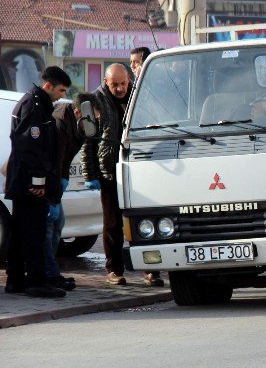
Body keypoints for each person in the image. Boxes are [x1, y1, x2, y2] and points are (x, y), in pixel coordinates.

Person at [81, 64, 164, 287]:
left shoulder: (139, 97)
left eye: (123, 83)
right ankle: (114, 270)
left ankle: (151, 270)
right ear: (106, 82)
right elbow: (88, 142)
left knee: (145, 220)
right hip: (109, 171)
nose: (119, 89)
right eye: (114, 84)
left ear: (129, 80)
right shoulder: (95, 101)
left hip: (138, 169)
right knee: (112, 225)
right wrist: (91, 174)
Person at [4, 66, 71, 298]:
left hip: (23, 181)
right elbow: (30, 147)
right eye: (61, 90)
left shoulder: (36, 104)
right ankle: (36, 282)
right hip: (29, 184)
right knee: (33, 234)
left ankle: (16, 281)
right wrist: (39, 182)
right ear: (48, 86)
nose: (62, 95)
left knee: (20, 234)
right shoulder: (34, 107)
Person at [43, 93, 98, 291]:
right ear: (78, 113)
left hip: (57, 180)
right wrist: (53, 195)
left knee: (58, 224)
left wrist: (65, 179)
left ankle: (50, 271)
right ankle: (47, 274)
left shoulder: (81, 126)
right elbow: (56, 160)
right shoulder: (60, 124)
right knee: (49, 227)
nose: (94, 124)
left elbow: (67, 159)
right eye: (91, 119)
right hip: (47, 181)